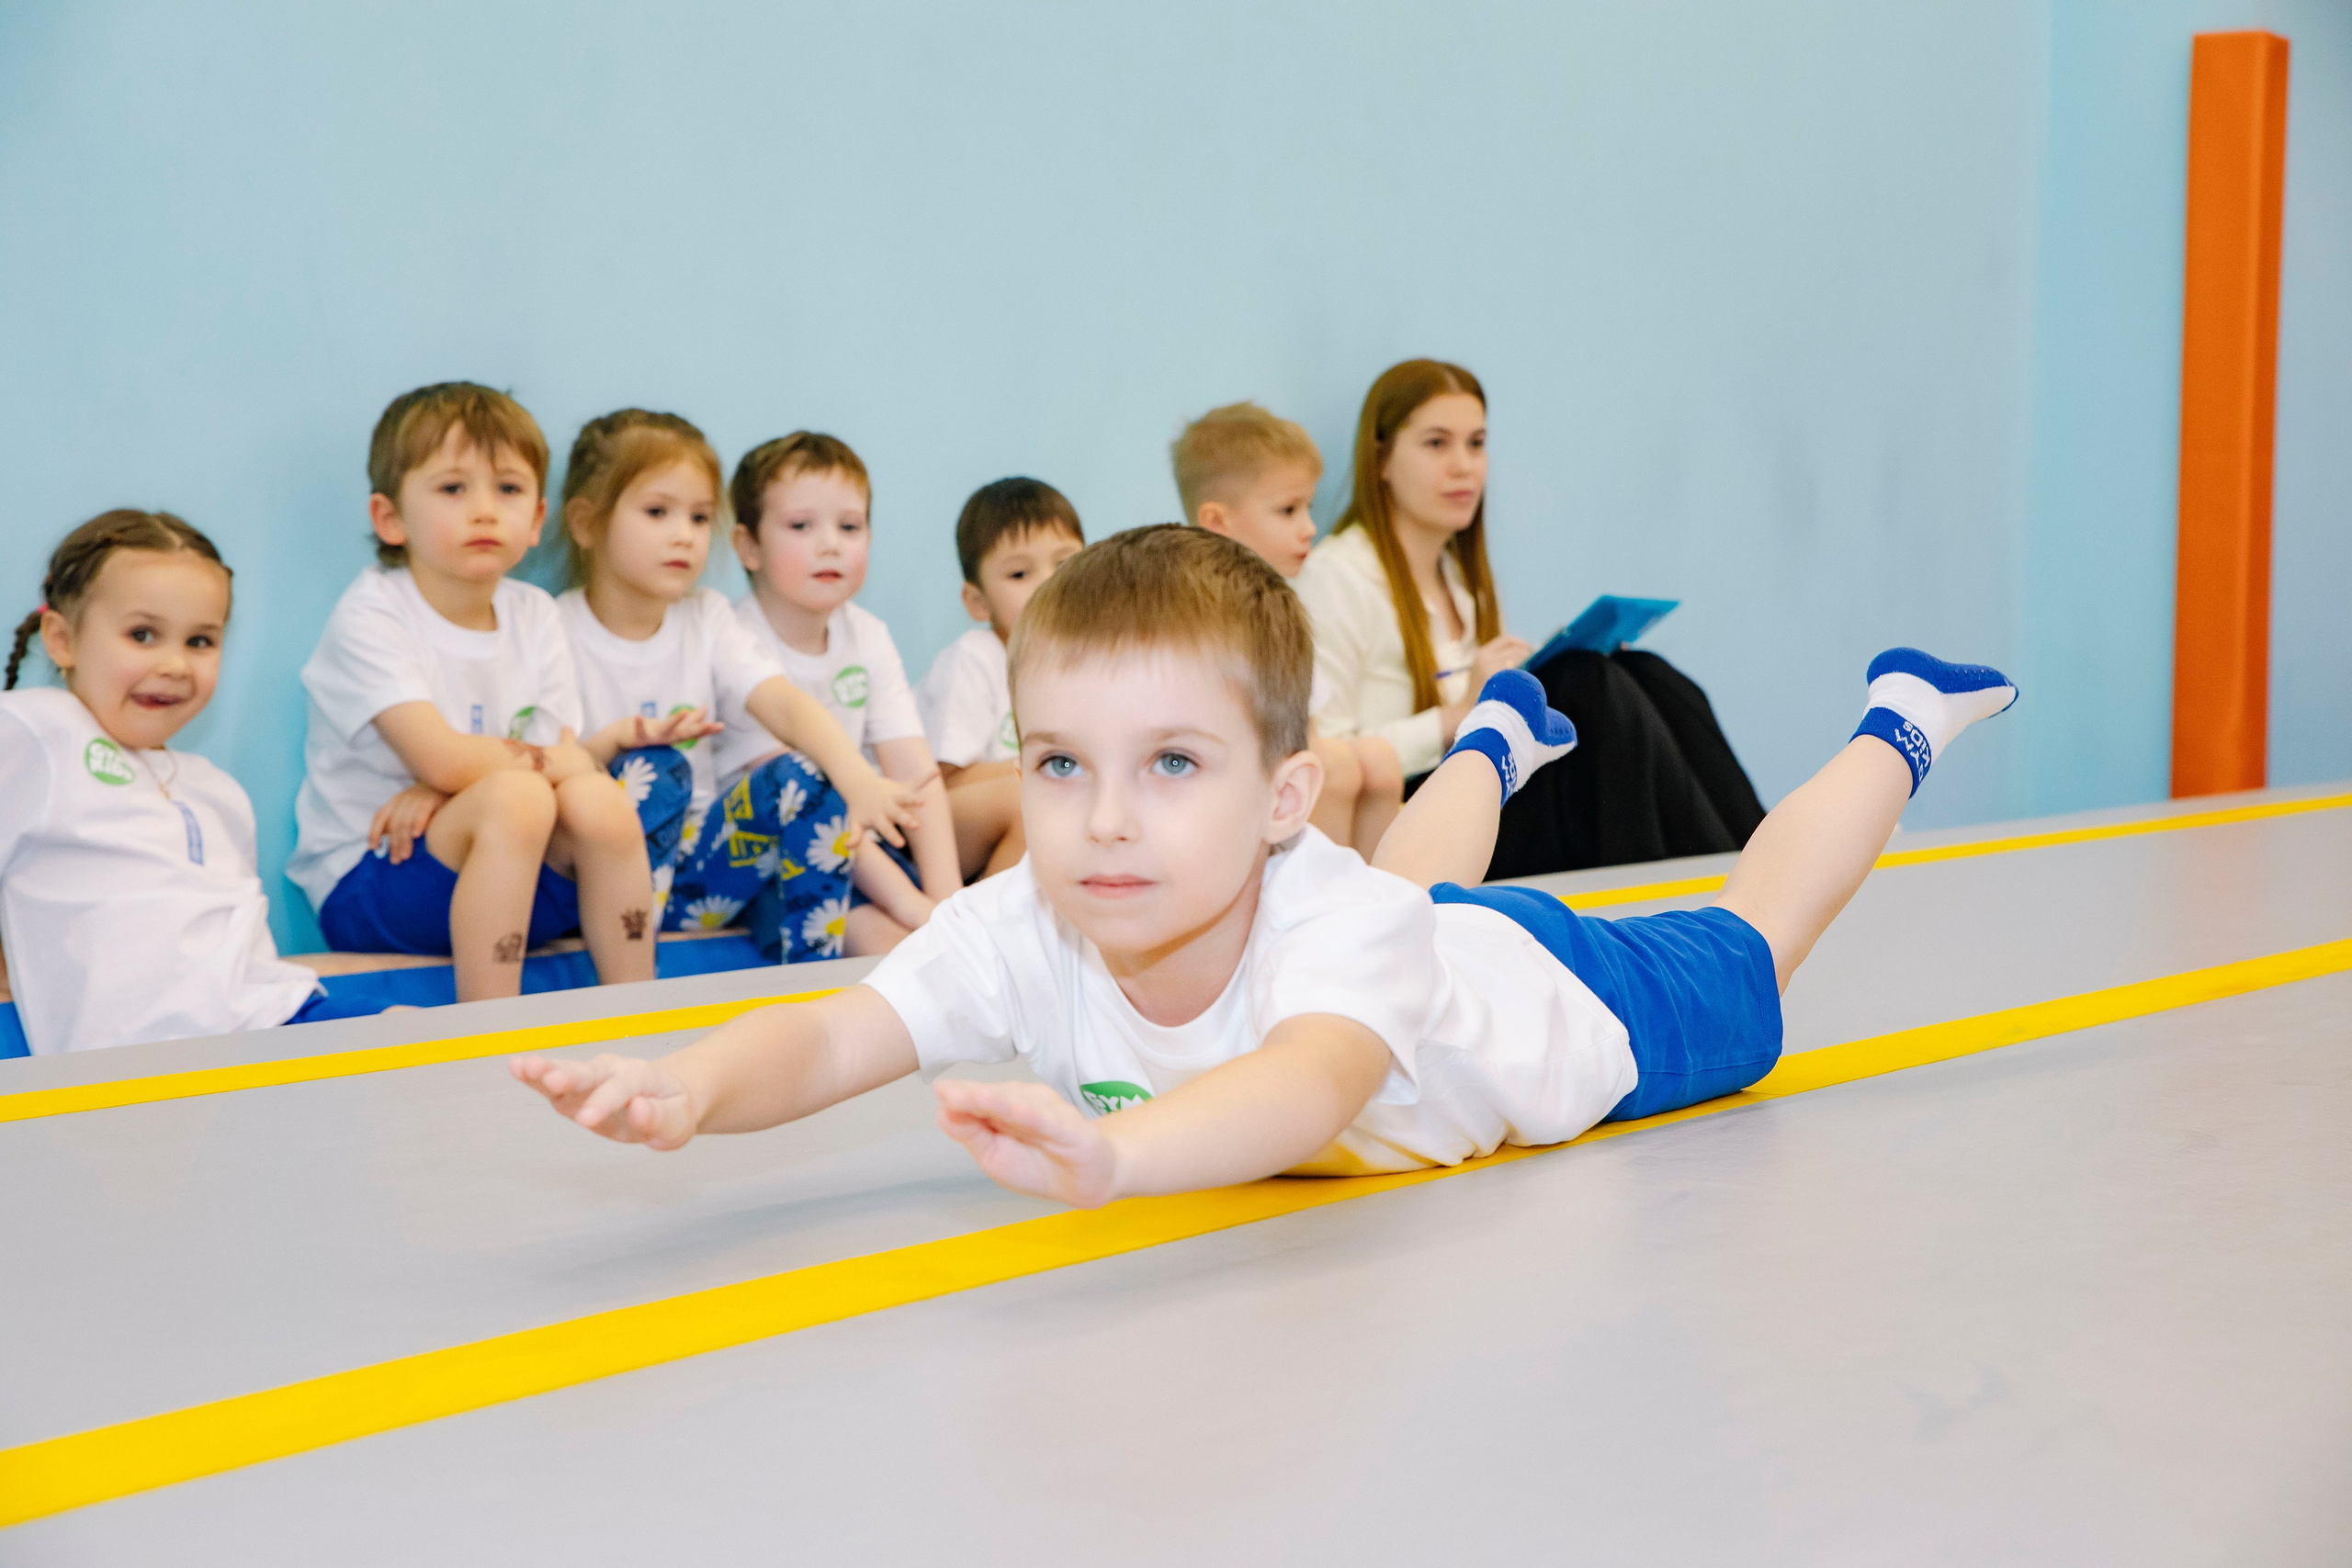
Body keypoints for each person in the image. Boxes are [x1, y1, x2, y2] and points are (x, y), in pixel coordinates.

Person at [513, 525, 2017, 1209]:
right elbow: (839, 1029)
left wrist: (1124, 1157)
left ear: (1283, 793)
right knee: (1415, 898)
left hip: (1559, 1004)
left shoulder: (1329, 936)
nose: (1104, 818)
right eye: (1059, 764)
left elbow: (1305, 1088)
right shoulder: (1038, 917)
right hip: (1409, 929)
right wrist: (697, 1085)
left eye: (1171, 764)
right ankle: (1495, 738)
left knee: (1756, 937)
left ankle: (1901, 718)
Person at [1294, 359, 1767, 877]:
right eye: (1437, 444)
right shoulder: (1336, 576)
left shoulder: (1458, 579)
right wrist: (1456, 717)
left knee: (1643, 673)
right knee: (1584, 684)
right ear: (1380, 460)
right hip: (1413, 821)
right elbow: (1327, 758)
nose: (1463, 466)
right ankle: (1724, 892)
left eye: (1476, 444)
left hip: (1472, 796)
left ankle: (1758, 864)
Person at [291, 381, 658, 1002]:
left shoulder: (535, 613)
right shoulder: (372, 613)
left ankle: (642, 1009)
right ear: (390, 518)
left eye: (509, 489)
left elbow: (568, 765)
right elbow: (469, 759)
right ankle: (488, 1031)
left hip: (511, 862)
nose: (484, 510)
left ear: (538, 518)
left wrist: (448, 782)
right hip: (375, 876)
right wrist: (456, 773)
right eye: (453, 488)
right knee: (516, 795)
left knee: (600, 801)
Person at [0, 512, 385, 1053]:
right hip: (138, 1057)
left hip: (268, 1021)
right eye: (142, 634)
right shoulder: (40, 730)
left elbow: (246, 954)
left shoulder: (217, 793)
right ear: (62, 640)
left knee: (419, 1040)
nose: (175, 664)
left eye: (200, 641)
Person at [553, 410, 925, 961]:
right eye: (658, 512)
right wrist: (621, 738)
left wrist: (856, 779)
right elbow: (545, 765)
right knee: (656, 769)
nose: (684, 535)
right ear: (586, 524)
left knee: (806, 771)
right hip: (598, 877)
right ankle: (632, 957)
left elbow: (782, 703)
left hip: (704, 873)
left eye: (700, 518)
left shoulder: (706, 617)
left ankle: (812, 978)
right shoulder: (553, 626)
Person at [722, 434, 958, 955]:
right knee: (889, 946)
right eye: (802, 526)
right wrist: (912, 908)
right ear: (749, 547)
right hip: (780, 865)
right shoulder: (733, 639)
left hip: (862, 846)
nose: (830, 544)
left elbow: (915, 773)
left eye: (849, 527)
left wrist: (947, 904)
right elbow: (809, 794)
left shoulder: (867, 634)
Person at [1175, 400, 1403, 856]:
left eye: (1308, 507)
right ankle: (1315, 905)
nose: (1310, 528)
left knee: (1380, 759)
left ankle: (1384, 902)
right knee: (1332, 765)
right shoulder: (1192, 613)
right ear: (1217, 523)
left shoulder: (1281, 605)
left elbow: (1307, 718)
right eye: (1287, 511)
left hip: (1277, 756)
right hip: (1220, 769)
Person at [914, 478, 1083, 882]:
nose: (1049, 584)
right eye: (1021, 573)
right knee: (1031, 796)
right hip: (928, 825)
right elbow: (946, 778)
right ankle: (984, 935)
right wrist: (1043, 768)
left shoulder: (1087, 665)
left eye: (1064, 565)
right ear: (978, 602)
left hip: (1011, 813)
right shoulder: (974, 659)